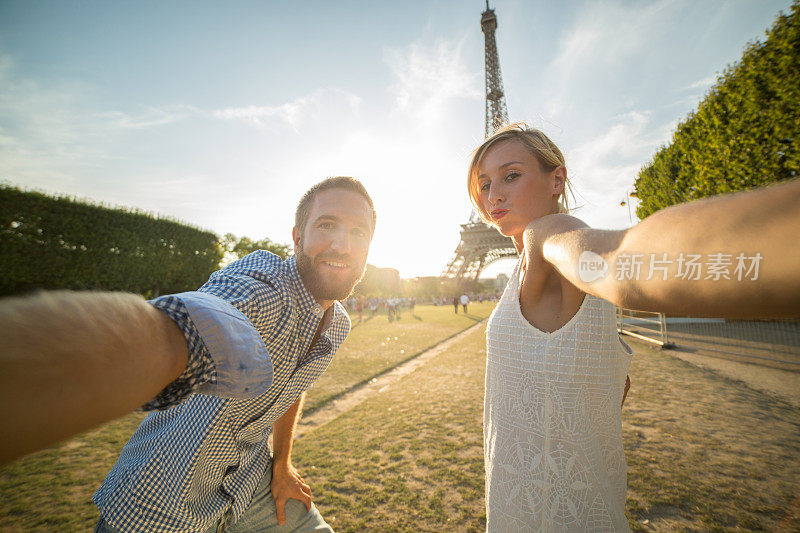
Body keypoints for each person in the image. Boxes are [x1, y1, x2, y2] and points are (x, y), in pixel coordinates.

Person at [468, 123, 800, 531]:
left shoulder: (548, 235)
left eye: (511, 175)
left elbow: (615, 261)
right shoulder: (525, 267)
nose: (494, 194)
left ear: (557, 179)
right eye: (484, 184)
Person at [0, 176, 376, 533]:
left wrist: (282, 464)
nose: (343, 244)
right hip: (160, 497)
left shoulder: (337, 324)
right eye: (327, 224)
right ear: (297, 238)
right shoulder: (267, 286)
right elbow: (203, 316)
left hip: (251, 487)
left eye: (359, 232)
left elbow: (296, 383)